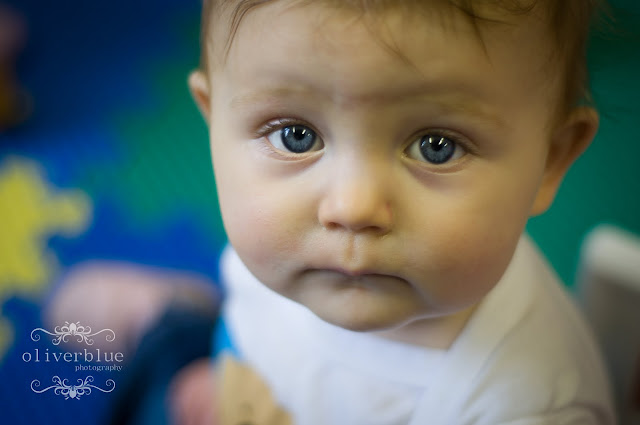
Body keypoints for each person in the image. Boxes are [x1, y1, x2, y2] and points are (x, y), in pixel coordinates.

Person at [177, 0, 617, 423]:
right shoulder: (288, 254)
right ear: (214, 121)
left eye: (436, 147)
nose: (353, 208)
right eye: (296, 136)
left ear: (550, 159)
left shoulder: (523, 406)